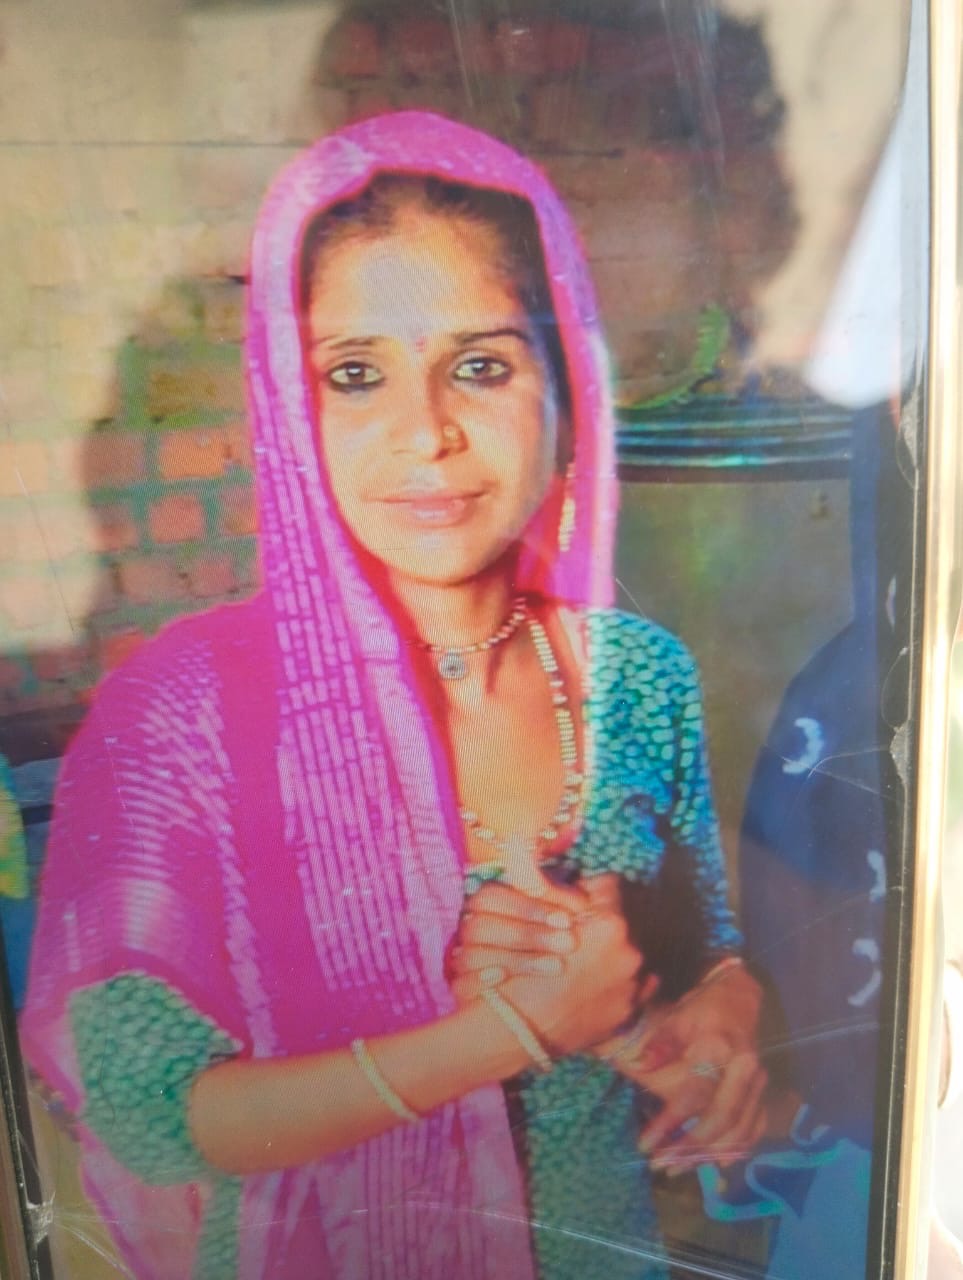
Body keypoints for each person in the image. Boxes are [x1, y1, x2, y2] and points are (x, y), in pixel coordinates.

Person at [21, 112, 765, 1280]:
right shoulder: (184, 714)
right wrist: (504, 1032)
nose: (427, 433)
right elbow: (149, 1110)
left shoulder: (637, 671)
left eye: (482, 364)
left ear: (565, 390)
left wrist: (727, 1009)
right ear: (289, 408)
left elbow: (707, 941)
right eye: (356, 374)